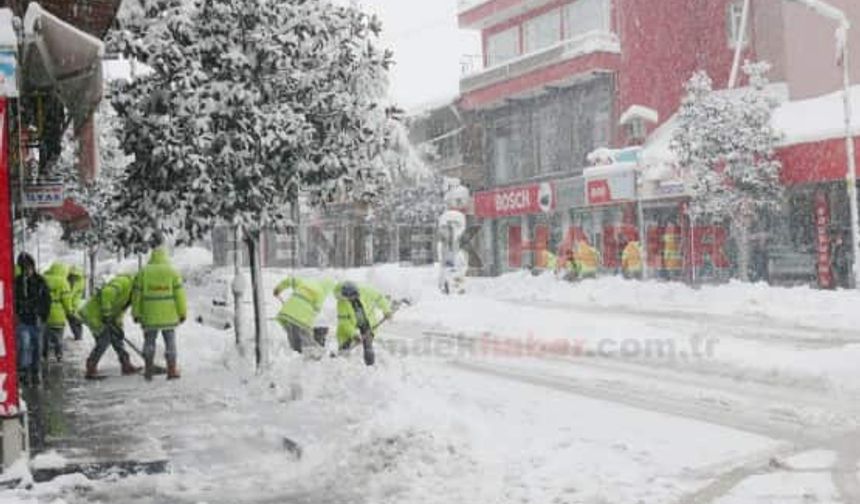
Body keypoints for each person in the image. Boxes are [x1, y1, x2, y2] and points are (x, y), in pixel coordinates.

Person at [132, 247, 187, 381]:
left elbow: (137, 295)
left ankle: (149, 369)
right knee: (170, 342)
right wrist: (182, 313)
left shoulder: (143, 272)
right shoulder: (172, 272)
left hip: (149, 316)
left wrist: (136, 313)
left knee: (149, 342)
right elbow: (180, 295)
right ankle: (172, 370)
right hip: (169, 316)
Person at [80, 273, 141, 378]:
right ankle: (91, 366)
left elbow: (119, 310)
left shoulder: (132, 293)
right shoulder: (124, 282)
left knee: (116, 338)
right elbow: (107, 293)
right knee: (105, 339)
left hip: (104, 315)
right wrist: (106, 313)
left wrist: (118, 326)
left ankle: (126, 364)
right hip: (93, 314)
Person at [334, 281, 392, 366]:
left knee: (368, 344)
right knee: (345, 346)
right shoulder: (341, 303)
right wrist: (354, 335)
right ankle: (340, 365)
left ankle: (370, 366)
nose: (352, 298)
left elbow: (380, 299)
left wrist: (387, 310)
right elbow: (344, 323)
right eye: (349, 297)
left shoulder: (366, 291)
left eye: (354, 295)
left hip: (367, 322)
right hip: (351, 324)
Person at [14, 253, 50, 386]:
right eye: (24, 268)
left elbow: (47, 300)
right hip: (23, 320)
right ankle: (23, 371)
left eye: (28, 268)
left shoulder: (40, 281)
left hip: (37, 319)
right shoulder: (17, 282)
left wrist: (43, 315)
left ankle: (35, 371)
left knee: (36, 347)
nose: (27, 271)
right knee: (24, 345)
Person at [273, 276, 335, 354]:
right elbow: (315, 310)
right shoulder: (321, 293)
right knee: (305, 340)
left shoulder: (304, 283)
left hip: (287, 314)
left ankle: (297, 353)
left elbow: (290, 280)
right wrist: (309, 327)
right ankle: (316, 355)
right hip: (301, 319)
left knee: (293, 335)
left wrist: (278, 289)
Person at [42, 262, 74, 362]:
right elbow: (66, 300)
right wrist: (70, 311)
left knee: (44, 337)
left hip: (45, 314)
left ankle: (44, 355)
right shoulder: (63, 282)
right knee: (58, 338)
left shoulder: (43, 280)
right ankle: (58, 354)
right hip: (58, 315)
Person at [67, 265, 86, 340]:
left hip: (72, 304)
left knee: (75, 320)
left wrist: (73, 307)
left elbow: (77, 296)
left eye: (75, 276)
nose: (73, 278)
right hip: (63, 303)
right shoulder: (64, 280)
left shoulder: (80, 283)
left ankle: (78, 337)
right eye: (71, 276)